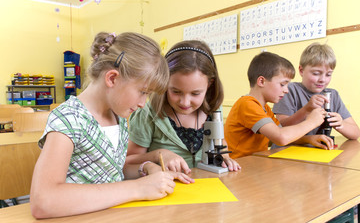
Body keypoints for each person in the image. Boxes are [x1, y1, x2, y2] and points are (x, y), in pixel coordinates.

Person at [30, 32, 194, 219]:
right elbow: (43, 201)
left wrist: (146, 169)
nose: (143, 103)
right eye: (142, 92)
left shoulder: (118, 116)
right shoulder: (68, 120)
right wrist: (138, 188)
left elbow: (111, 173)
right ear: (112, 78)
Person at [126, 40, 241, 174]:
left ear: (210, 84)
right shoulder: (147, 114)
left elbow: (219, 142)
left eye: (195, 93)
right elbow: (128, 162)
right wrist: (160, 154)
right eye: (176, 91)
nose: (185, 102)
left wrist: (224, 156)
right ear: (164, 82)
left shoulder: (213, 107)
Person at [224, 52, 334, 159]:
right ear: (261, 81)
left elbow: (282, 134)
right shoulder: (247, 104)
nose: (286, 90)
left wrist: (309, 139)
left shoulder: (264, 108)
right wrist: (312, 122)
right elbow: (281, 138)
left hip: (256, 164)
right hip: (240, 167)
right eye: (282, 84)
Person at [273, 42, 360, 140]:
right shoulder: (288, 90)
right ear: (301, 70)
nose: (323, 79)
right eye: (316, 73)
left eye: (328, 74)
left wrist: (341, 124)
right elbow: (280, 128)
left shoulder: (333, 95)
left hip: (315, 152)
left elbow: (356, 133)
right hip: (286, 151)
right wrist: (306, 110)